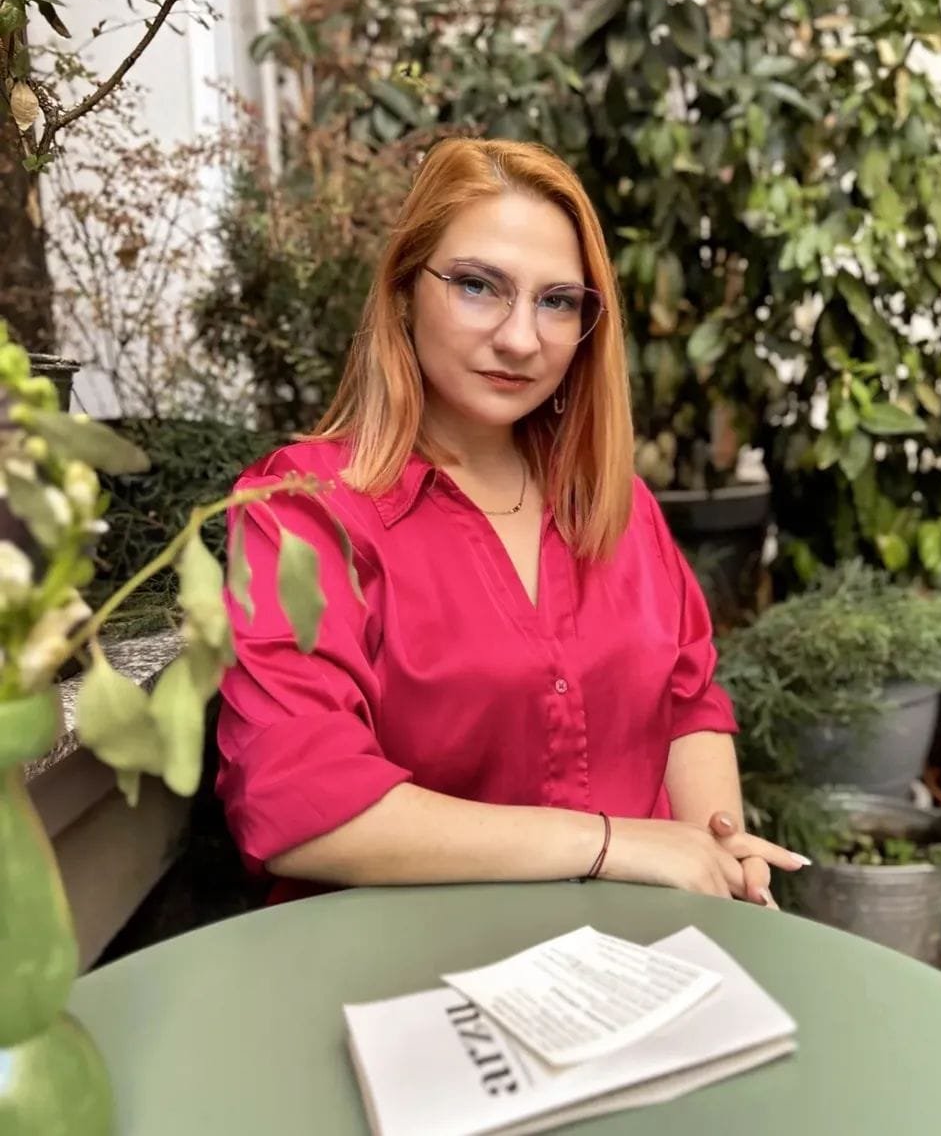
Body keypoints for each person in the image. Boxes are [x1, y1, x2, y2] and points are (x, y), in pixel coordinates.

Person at [216, 138, 809, 906]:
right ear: (403, 290)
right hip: (405, 976)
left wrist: (715, 849)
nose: (522, 338)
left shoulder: (616, 506)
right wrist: (613, 844)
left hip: (630, 964)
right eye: (477, 286)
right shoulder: (303, 509)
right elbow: (295, 805)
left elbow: (687, 699)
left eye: (557, 300)